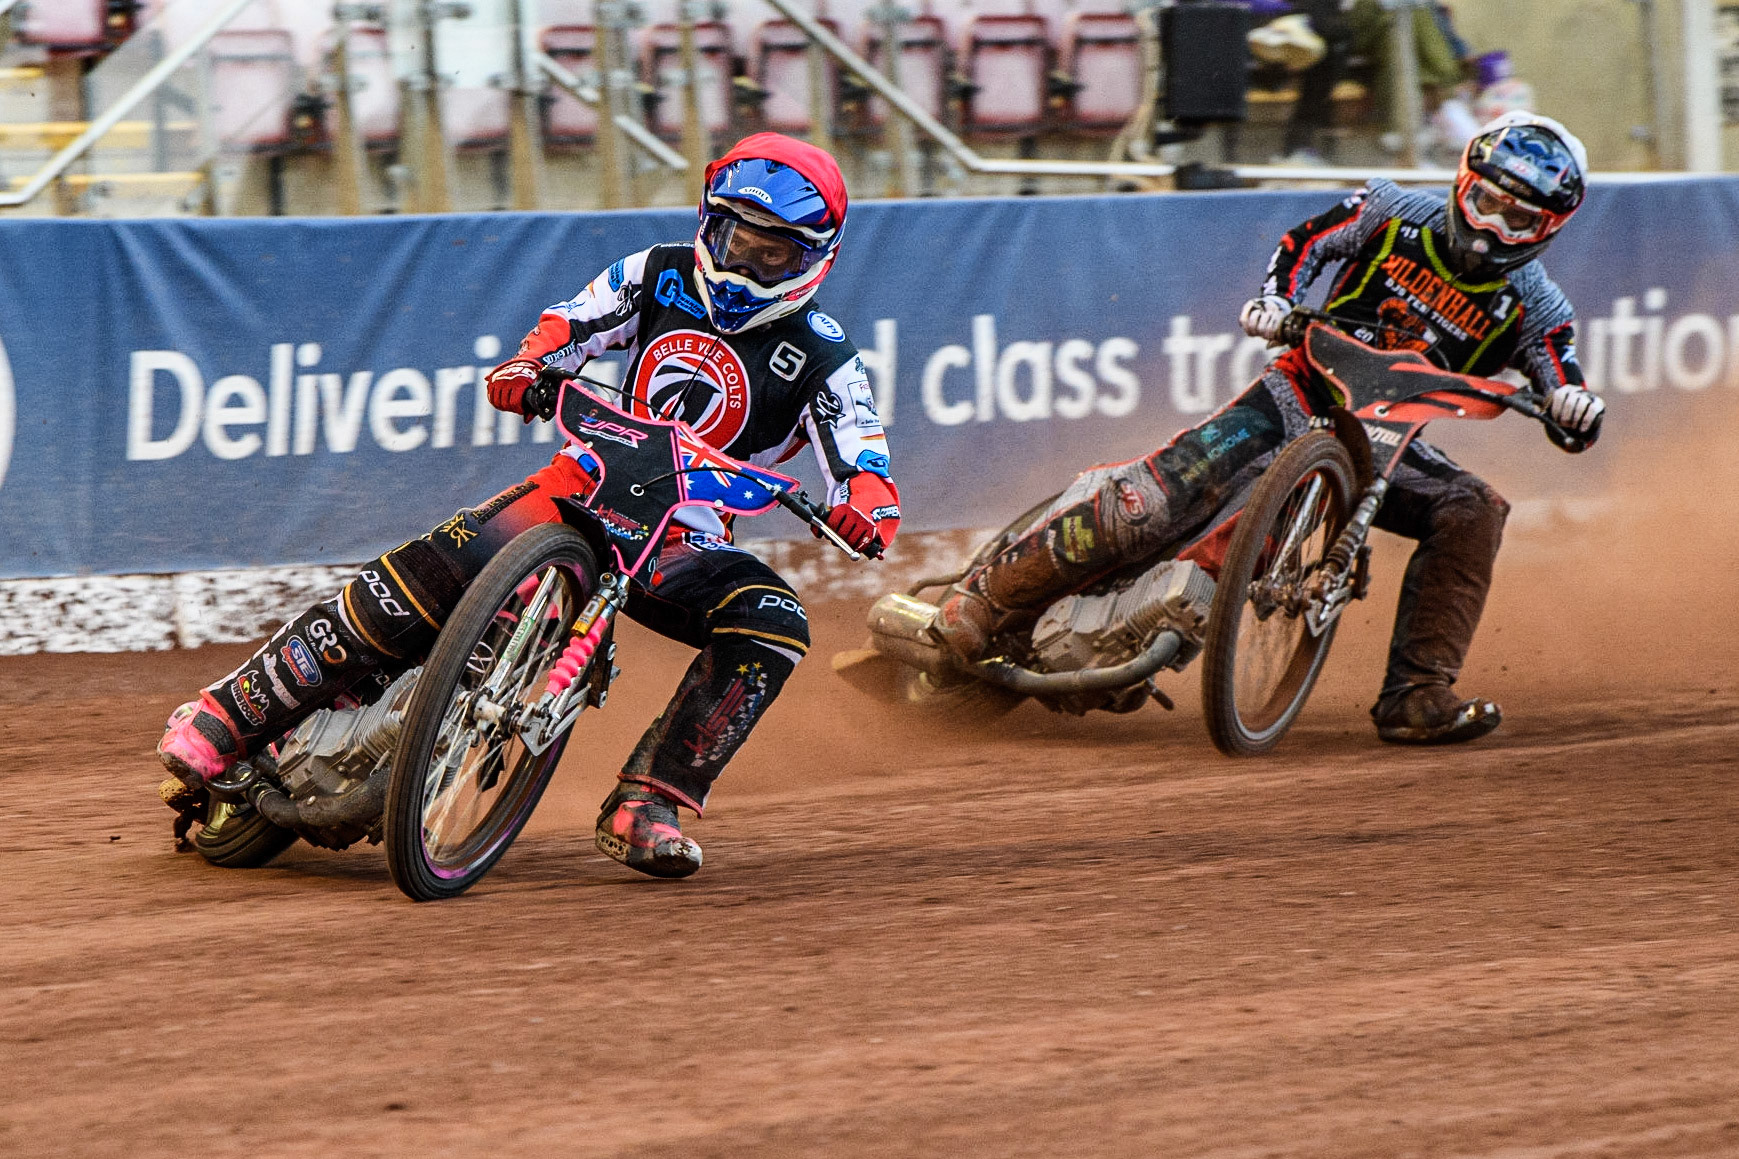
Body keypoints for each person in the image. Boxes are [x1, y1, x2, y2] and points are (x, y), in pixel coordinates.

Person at [158, 133, 900, 878]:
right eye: (736, 239)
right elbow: (573, 321)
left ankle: (650, 800)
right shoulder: (659, 271)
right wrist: (529, 364)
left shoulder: (823, 357)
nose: (744, 264)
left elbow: (864, 458)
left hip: (684, 543)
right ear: (710, 222)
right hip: (580, 487)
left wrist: (865, 508)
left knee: (774, 621)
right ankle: (229, 712)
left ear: (813, 260)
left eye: (772, 255)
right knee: (413, 578)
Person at [934, 112, 1603, 745]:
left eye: (1517, 219)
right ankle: (985, 597)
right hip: (1295, 388)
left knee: (1474, 508)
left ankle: (1416, 694)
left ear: (1546, 230)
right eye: (1484, 202)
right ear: (1462, 184)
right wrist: (1276, 299)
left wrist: (1573, 407)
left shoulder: (1536, 307)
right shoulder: (1393, 210)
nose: (1490, 228)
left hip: (1387, 441)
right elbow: (1303, 242)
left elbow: (1561, 383)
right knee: (1154, 499)